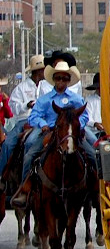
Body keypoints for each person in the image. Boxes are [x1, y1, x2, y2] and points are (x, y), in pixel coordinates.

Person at [9, 61, 96, 209]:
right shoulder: (45, 99)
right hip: (49, 131)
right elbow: (34, 116)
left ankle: (96, 190)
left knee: (93, 152)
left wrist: (76, 126)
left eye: (64, 78)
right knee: (29, 152)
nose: (61, 81)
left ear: (68, 80)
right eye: (58, 78)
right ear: (54, 79)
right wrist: (42, 124)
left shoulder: (76, 99)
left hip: (71, 133)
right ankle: (25, 189)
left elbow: (85, 116)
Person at [0, 55, 48, 186]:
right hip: (24, 119)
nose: (45, 73)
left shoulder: (46, 87)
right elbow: (13, 107)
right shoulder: (21, 88)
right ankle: (2, 176)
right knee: (8, 144)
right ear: (38, 71)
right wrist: (27, 105)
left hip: (42, 121)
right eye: (43, 69)